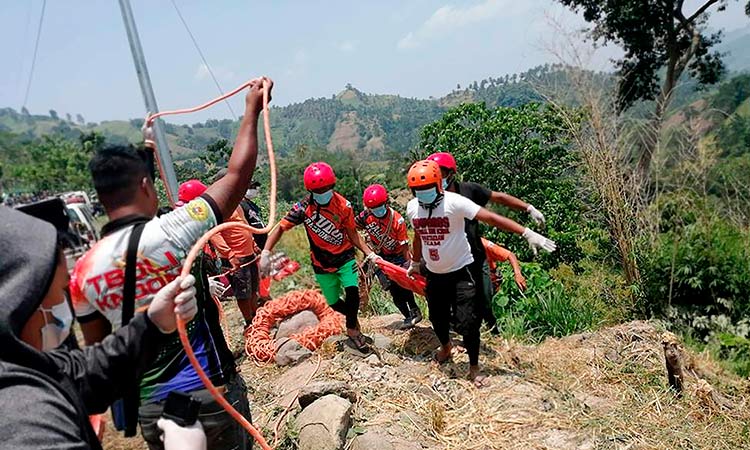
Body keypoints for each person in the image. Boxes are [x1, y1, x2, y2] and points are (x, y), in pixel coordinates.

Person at [69, 78, 272, 450]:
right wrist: (252, 110)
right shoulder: (178, 228)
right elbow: (236, 176)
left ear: (101, 196)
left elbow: (101, 353)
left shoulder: (83, 274)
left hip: (153, 410)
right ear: (147, 187)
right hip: (211, 389)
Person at [0, 206, 202, 450]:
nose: (61, 305)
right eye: (58, 292)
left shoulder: (22, 364)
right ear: (18, 300)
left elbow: (84, 372)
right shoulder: (27, 426)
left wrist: (153, 324)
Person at [404, 160, 555, 386]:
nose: (423, 194)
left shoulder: (456, 202)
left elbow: (491, 218)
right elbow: (418, 236)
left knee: (469, 322)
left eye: (427, 189)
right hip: (435, 274)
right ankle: (446, 347)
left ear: (438, 185)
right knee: (437, 317)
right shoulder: (412, 207)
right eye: (418, 191)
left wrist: (526, 232)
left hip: (460, 271)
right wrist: (416, 263)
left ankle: (474, 368)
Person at [259, 162, 380, 355]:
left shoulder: (343, 205)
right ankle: (353, 319)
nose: (323, 192)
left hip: (345, 257)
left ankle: (352, 330)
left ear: (332, 185)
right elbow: (281, 227)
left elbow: (353, 233)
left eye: (326, 188)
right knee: (333, 302)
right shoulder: (303, 208)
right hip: (321, 262)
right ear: (310, 190)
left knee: (352, 293)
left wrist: (369, 253)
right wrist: (266, 252)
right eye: (318, 190)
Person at [426, 151, 546, 334]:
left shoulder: (468, 191)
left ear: (451, 174)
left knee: (485, 299)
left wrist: (528, 208)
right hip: (448, 259)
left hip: (474, 256)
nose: (436, 177)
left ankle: (492, 331)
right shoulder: (427, 200)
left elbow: (498, 200)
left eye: (440, 173)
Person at [179, 174, 260, 328]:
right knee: (243, 292)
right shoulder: (215, 206)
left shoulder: (235, 201)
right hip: (234, 258)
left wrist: (254, 242)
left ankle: (257, 318)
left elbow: (243, 224)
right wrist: (230, 254)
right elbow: (214, 233)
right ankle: (250, 323)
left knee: (253, 288)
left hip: (248, 253)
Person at [355, 184, 422, 329]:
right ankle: (407, 316)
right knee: (391, 288)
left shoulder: (397, 221)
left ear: (386, 203)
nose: (377, 210)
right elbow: (354, 228)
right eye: (373, 208)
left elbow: (404, 248)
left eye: (380, 206)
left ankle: (415, 310)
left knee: (403, 284)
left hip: (398, 256)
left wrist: (409, 265)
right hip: (380, 257)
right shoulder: (366, 216)